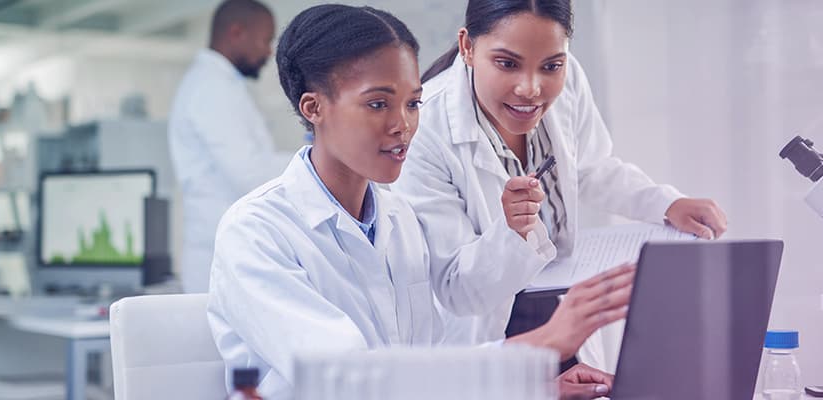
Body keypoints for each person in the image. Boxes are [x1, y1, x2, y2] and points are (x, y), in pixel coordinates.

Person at [207, 4, 634, 399]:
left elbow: (431, 370)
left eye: (413, 103)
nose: (403, 125)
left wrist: (536, 388)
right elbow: (350, 380)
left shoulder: (399, 220)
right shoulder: (256, 232)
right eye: (378, 104)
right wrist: (541, 343)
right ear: (314, 107)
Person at [390, 0, 729, 364]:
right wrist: (512, 231)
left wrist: (665, 204)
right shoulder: (424, 130)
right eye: (507, 64)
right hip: (485, 332)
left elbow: (590, 167)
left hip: (556, 305)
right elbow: (457, 288)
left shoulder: (569, 79)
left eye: (551, 66)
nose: (531, 89)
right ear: (467, 47)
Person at [169, 0, 292, 293]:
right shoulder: (212, 89)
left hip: (226, 250)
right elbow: (250, 173)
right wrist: (321, 158)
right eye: (266, 40)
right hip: (218, 256)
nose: (269, 51)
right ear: (236, 32)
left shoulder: (221, 85)